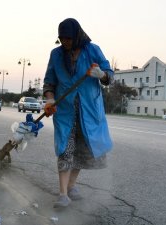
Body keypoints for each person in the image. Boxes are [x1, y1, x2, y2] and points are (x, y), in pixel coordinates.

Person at [43, 18, 114, 208]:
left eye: (68, 38)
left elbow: (110, 75)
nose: (65, 42)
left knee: (82, 150)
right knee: (65, 149)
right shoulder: (56, 54)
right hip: (65, 110)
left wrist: (101, 74)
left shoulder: (93, 50)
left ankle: (72, 185)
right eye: (61, 38)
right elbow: (49, 82)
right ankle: (63, 194)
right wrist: (50, 99)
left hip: (89, 110)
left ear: (77, 36)